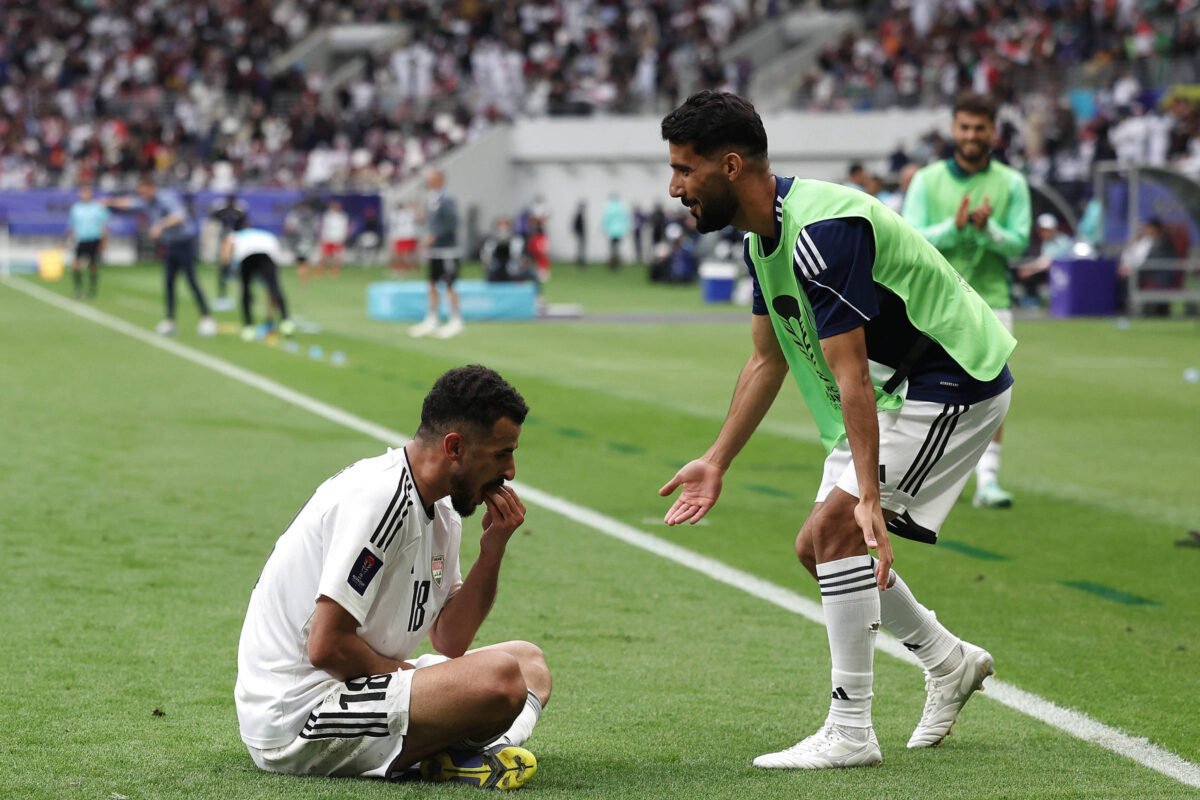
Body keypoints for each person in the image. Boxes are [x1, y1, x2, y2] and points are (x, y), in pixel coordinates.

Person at [658, 91, 1015, 770]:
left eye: (684, 170)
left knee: (837, 533)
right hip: (893, 389)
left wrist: (870, 499)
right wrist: (717, 459)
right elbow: (766, 359)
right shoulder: (761, 241)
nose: (675, 188)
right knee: (819, 551)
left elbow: (850, 376)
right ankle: (949, 661)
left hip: (950, 381)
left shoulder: (824, 232)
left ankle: (851, 731)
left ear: (730, 165)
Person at [235, 365, 549, 791]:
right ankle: (455, 751)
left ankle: (452, 753)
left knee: (528, 664)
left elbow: (450, 639)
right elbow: (326, 646)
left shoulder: (442, 511)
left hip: (361, 687)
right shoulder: (380, 499)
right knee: (499, 679)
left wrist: (492, 552)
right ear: (454, 446)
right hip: (299, 712)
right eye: (500, 453)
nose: (510, 471)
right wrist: (410, 679)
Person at [902, 92, 1030, 509]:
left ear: (993, 130)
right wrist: (955, 228)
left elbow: (1019, 245)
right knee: (919, 388)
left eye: (980, 128)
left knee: (990, 387)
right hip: (935, 300)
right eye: (965, 127)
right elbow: (911, 236)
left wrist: (990, 229)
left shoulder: (1012, 183)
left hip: (991, 301)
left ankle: (988, 482)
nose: (972, 135)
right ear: (953, 129)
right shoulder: (927, 180)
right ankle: (919, 475)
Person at [106, 175, 216, 337]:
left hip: (184, 243)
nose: (141, 195)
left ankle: (206, 318)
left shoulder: (166, 198)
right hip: (171, 245)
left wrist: (160, 225)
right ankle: (170, 321)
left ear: (151, 188)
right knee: (169, 283)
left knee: (192, 281)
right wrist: (108, 202)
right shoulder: (146, 201)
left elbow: (179, 217)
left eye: (143, 191)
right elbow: (129, 203)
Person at [410, 168, 464, 339]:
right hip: (435, 251)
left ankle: (455, 319)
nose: (428, 181)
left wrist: (436, 235)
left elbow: (452, 223)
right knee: (432, 283)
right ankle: (432, 318)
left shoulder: (447, 199)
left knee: (450, 285)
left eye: (431, 178)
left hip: (447, 250)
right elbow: (432, 221)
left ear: (440, 180)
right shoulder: (431, 199)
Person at [218, 222, 295, 340]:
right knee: (274, 289)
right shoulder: (266, 235)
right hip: (267, 255)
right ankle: (285, 321)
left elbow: (227, 248)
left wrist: (226, 266)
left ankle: (248, 326)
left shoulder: (237, 234)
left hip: (248, 256)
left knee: (245, 290)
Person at [1016, 214, 1075, 307]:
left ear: (1054, 229)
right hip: (1054, 275)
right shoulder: (1046, 243)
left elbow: (1046, 263)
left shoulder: (1063, 242)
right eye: (1042, 230)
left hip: (1066, 278)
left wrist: (1029, 270)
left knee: (1030, 275)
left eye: (1047, 230)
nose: (1044, 233)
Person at [66, 184, 109, 300]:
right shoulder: (76, 208)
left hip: (94, 239)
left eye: (87, 192)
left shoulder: (98, 208)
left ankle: (92, 289)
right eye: (83, 192)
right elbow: (72, 226)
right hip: (81, 239)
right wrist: (69, 240)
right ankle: (78, 289)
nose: (85, 194)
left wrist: (104, 242)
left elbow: (104, 226)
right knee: (75, 265)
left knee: (93, 265)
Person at [209, 194, 249, 309]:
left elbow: (244, 224)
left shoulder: (239, 211)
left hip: (236, 242)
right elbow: (213, 217)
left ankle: (244, 294)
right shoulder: (222, 211)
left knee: (240, 268)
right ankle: (222, 295)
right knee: (223, 268)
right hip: (225, 241)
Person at [284, 198, 320, 282]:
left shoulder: (299, 215)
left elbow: (289, 227)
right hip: (302, 241)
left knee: (303, 260)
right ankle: (303, 277)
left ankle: (303, 277)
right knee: (302, 260)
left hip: (303, 241)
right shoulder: (299, 215)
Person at [317, 199, 349, 278]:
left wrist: (343, 238)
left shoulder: (343, 217)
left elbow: (344, 228)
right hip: (328, 238)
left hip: (338, 238)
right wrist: (322, 237)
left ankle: (335, 271)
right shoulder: (327, 216)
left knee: (337, 256)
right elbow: (323, 227)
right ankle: (320, 271)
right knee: (325, 255)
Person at [601, 192, 631, 270]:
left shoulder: (609, 207)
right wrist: (626, 229)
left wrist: (604, 229)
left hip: (611, 231)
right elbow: (626, 219)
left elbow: (605, 219)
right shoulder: (621, 207)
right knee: (617, 248)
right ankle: (617, 263)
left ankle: (613, 264)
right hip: (619, 231)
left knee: (612, 248)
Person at [389, 201, 419, 275]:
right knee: (409, 253)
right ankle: (409, 268)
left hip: (401, 235)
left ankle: (404, 268)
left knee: (402, 253)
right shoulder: (408, 212)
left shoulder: (395, 214)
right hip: (407, 235)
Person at [571, 201, 587, 267]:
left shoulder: (580, 215)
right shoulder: (579, 215)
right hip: (580, 234)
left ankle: (581, 261)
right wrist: (577, 232)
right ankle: (580, 261)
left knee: (581, 248)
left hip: (581, 234)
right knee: (580, 248)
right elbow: (575, 225)